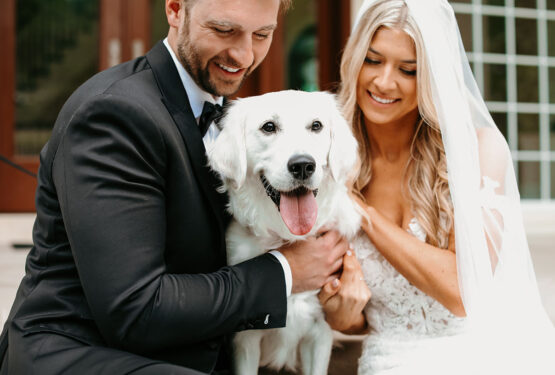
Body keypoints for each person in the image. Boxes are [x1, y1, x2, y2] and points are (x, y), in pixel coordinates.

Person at [0, 0, 352, 374]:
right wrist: (285, 272)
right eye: (223, 30)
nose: (244, 54)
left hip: (193, 348)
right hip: (81, 352)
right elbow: (135, 308)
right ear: (174, 9)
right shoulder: (114, 115)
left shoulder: (236, 119)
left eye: (262, 35)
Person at [318, 0, 555, 373]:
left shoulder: (478, 151)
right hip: (388, 359)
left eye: (408, 70)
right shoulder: (329, 157)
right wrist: (341, 314)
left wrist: (359, 211)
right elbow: (354, 317)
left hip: (483, 356)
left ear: (431, 77)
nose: (383, 82)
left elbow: (462, 292)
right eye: (373, 60)